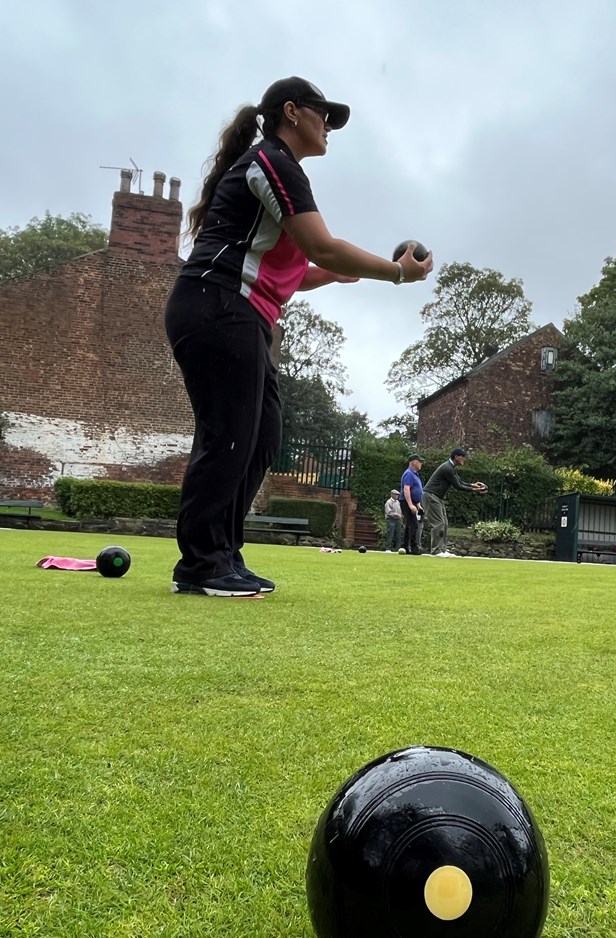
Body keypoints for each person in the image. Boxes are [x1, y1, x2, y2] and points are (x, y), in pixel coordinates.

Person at [165, 77, 434, 597]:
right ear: (291, 113)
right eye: (323, 115)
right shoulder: (273, 162)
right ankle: (200, 565)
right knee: (229, 435)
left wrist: (329, 274)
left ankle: (223, 553)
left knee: (261, 436)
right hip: (217, 307)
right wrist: (395, 272)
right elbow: (323, 245)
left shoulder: (275, 170)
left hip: (237, 315)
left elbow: (291, 263)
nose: (329, 127)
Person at [423, 447, 488, 556]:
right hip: (431, 496)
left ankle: (442, 549)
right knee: (438, 524)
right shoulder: (447, 468)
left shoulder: (451, 468)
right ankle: (436, 550)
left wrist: (473, 485)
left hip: (437, 497)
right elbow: (458, 486)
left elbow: (460, 482)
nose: (464, 460)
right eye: (463, 457)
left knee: (445, 524)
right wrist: (476, 490)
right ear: (456, 457)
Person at [400, 454, 425, 555]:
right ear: (413, 462)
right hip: (406, 501)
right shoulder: (409, 474)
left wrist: (418, 504)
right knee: (413, 524)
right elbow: (406, 489)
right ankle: (414, 547)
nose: (421, 463)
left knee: (409, 525)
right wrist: (410, 504)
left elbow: (416, 491)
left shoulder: (415, 474)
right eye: (419, 461)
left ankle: (405, 546)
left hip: (413, 502)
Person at [383, 488, 403, 552]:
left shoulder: (398, 502)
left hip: (398, 520)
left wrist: (400, 516)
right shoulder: (389, 502)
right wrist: (396, 514)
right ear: (392, 495)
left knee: (398, 534)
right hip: (391, 519)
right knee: (390, 534)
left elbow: (400, 511)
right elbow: (389, 512)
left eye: (398, 495)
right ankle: (388, 547)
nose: (397, 496)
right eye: (396, 494)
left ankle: (398, 548)